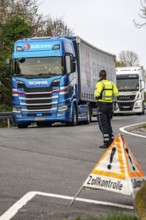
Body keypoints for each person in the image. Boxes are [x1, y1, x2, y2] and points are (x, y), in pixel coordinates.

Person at [94, 70, 119, 148]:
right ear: (106, 76)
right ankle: (111, 140)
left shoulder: (100, 83)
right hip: (109, 106)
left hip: (102, 106)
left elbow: (96, 94)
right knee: (108, 123)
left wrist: (97, 94)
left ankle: (106, 142)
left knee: (103, 124)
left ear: (100, 76)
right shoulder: (111, 83)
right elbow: (117, 94)